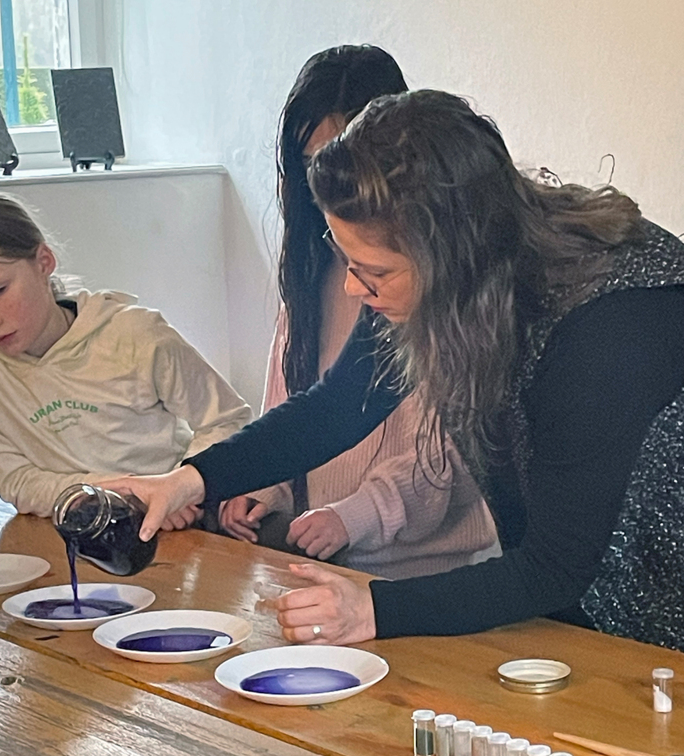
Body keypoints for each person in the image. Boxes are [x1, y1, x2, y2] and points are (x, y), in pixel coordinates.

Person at [102, 90, 684, 652]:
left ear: (449, 256)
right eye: (348, 261)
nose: (355, 289)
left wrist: (375, 609)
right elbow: (336, 408)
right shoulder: (456, 270)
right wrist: (190, 479)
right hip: (584, 601)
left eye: (373, 273)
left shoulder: (605, 329)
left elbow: (555, 565)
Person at [220, 46, 497, 578]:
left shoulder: (440, 281)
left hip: (427, 572)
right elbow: (309, 410)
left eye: (336, 160)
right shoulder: (309, 274)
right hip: (326, 561)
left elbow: (447, 458)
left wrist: (356, 516)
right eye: (307, 165)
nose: (322, 188)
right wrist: (264, 486)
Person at [0, 190, 251, 520]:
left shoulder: (136, 334)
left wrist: (177, 490)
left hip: (174, 524)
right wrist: (127, 493)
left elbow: (228, 421)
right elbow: (16, 481)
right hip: (65, 527)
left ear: (44, 262)